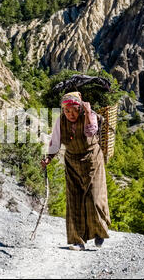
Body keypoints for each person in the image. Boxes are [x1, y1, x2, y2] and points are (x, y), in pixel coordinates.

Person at [41, 91, 111, 251]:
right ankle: (78, 241)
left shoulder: (89, 114)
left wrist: (87, 112)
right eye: (67, 111)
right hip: (72, 162)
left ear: (79, 108)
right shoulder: (61, 122)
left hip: (92, 160)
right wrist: (48, 158)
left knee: (94, 198)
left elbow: (90, 131)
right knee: (74, 200)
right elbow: (55, 143)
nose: (70, 114)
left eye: (74, 110)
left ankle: (99, 232)